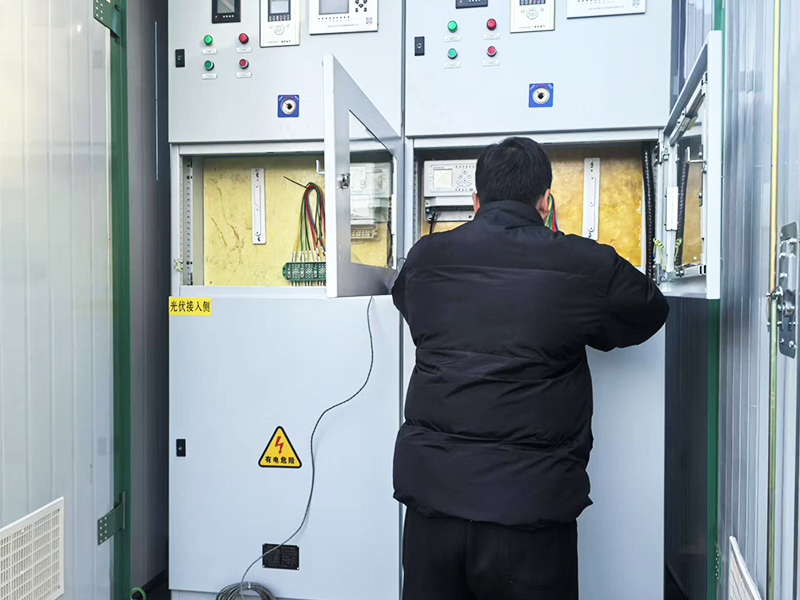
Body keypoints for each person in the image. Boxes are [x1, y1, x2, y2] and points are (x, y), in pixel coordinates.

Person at [391, 137, 669, 600]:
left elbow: (408, 304)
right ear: (545, 201)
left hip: (432, 508)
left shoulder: (425, 257)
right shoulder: (583, 263)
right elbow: (649, 310)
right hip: (527, 516)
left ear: (475, 200)